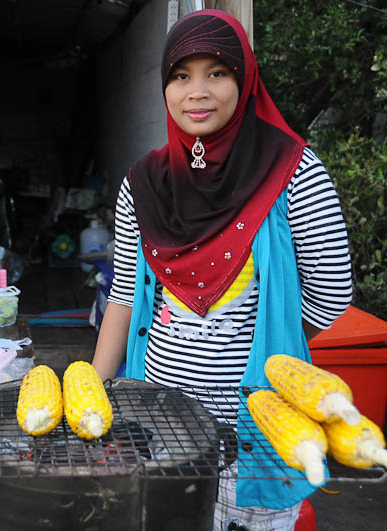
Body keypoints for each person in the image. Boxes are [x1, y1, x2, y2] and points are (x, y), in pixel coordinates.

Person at [91, 9, 353, 531]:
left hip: (257, 421)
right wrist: (90, 392)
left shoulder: (293, 173)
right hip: (160, 420)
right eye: (181, 75)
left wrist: (268, 347)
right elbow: (124, 296)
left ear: (245, 78)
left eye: (217, 72)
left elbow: (331, 293)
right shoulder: (142, 184)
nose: (198, 92)